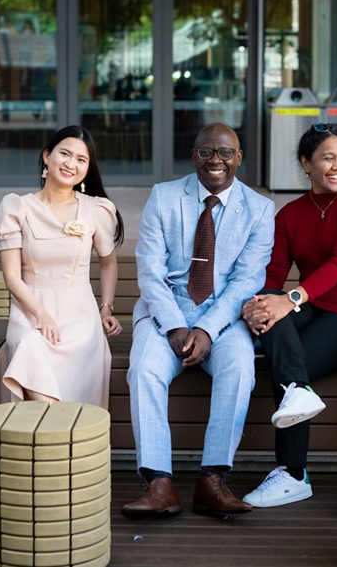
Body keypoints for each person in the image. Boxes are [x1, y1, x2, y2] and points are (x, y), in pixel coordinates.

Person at [121, 123, 275, 520]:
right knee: (144, 370)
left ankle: (212, 481)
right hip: (165, 312)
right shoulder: (165, 196)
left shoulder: (259, 209)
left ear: (239, 158)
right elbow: (150, 271)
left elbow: (247, 280)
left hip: (222, 318)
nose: (215, 161)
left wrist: (206, 328)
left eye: (225, 153)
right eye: (206, 152)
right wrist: (175, 326)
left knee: (241, 367)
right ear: (194, 156)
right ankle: (158, 484)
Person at [239, 123, 337, 507]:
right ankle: (298, 399)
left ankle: (292, 473)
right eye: (328, 158)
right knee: (270, 304)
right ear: (306, 164)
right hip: (316, 304)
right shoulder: (290, 214)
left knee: (293, 361)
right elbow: (273, 275)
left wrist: (289, 299)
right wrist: (258, 306)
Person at [0, 125, 124, 407]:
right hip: (30, 312)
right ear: (47, 155)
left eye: (81, 159)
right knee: (29, 345)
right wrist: (41, 315)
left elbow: (108, 263)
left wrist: (106, 308)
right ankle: (57, 439)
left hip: (80, 318)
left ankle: (58, 441)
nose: (70, 164)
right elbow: (12, 276)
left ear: (87, 169)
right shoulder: (17, 207)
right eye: (64, 154)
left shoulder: (95, 209)